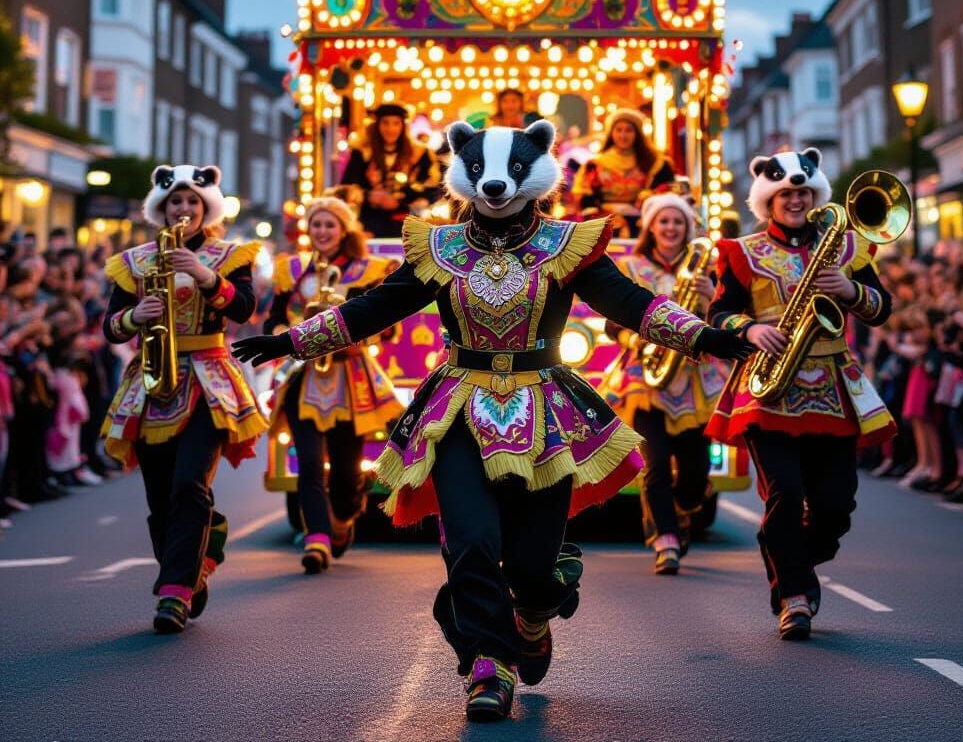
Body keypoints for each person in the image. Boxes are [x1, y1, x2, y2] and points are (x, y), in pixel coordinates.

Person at [234, 120, 753, 722]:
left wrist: (706, 336)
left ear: (537, 170)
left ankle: (536, 605)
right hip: (457, 408)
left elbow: (631, 302)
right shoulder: (440, 248)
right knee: (472, 543)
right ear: (463, 169)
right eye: (480, 171)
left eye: (508, 172)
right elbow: (375, 306)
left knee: (533, 564)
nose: (496, 185)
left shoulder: (568, 245)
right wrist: (291, 342)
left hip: (544, 409)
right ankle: (489, 666)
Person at [705, 149, 895, 641]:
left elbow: (882, 309)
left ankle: (788, 556)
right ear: (769, 199)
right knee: (785, 494)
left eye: (803, 192)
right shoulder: (740, 252)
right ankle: (794, 597)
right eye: (786, 193)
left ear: (815, 197)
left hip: (834, 388)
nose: (795, 199)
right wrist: (748, 330)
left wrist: (851, 293)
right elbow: (719, 313)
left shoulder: (849, 248)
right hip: (768, 390)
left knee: (836, 505)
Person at [101, 164, 267, 633]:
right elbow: (110, 326)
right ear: (162, 207)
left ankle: (173, 591)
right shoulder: (134, 261)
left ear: (206, 207)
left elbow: (244, 308)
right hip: (152, 383)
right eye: (175, 202)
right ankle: (196, 562)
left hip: (210, 382)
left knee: (187, 484)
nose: (184, 209)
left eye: (193, 202)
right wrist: (135, 315)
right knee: (160, 496)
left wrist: (207, 277)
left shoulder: (229, 255)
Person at [263, 191, 404, 572]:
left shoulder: (367, 270)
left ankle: (344, 514)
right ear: (308, 229)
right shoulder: (291, 270)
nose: (322, 230)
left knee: (346, 470)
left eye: (330, 224)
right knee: (309, 463)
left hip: (349, 377)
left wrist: (356, 336)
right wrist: (284, 332)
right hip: (302, 377)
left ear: (344, 230)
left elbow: (384, 326)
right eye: (317, 224)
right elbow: (271, 320)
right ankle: (317, 540)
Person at [601, 192, 728, 573]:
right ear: (651, 227)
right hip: (646, 378)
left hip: (695, 378)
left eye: (678, 222)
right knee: (655, 464)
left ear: (687, 227)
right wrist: (631, 340)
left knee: (695, 471)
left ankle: (684, 507)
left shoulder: (708, 270)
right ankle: (666, 540)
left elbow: (725, 320)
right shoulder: (632, 267)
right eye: (664, 221)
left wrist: (712, 298)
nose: (671, 228)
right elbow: (612, 321)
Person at [342, 103, 442, 237]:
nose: (391, 129)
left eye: (396, 123)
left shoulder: (419, 153)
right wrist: (368, 196)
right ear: (377, 125)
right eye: (385, 123)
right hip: (370, 224)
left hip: (409, 222)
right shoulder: (362, 152)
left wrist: (407, 199)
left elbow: (433, 188)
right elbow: (347, 187)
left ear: (403, 126)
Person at [573, 109, 674, 236]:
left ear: (637, 134)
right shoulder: (595, 165)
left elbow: (666, 190)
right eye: (619, 130)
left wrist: (650, 196)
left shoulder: (656, 163)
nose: (623, 135)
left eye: (629, 130)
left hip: (644, 225)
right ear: (611, 133)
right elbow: (585, 200)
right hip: (605, 225)